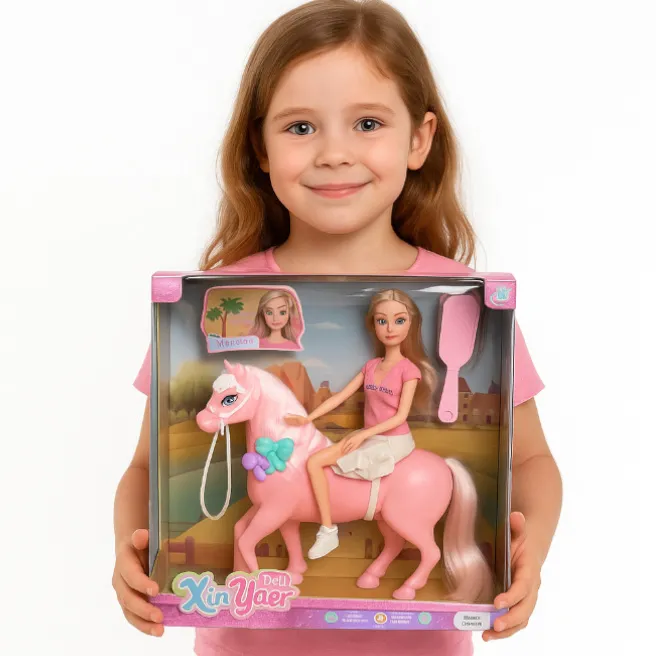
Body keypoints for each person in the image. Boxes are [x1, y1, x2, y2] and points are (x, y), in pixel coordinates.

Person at [113, 1, 562, 654]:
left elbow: (532, 459)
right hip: (243, 648)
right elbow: (144, 466)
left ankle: (330, 529)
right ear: (260, 147)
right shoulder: (208, 304)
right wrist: (130, 555)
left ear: (419, 139)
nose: (333, 153)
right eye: (300, 127)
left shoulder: (470, 305)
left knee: (328, 464)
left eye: (367, 123)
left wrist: (531, 552)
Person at [285, 288, 438, 559]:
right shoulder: (371, 366)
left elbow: (400, 417)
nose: (390, 328)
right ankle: (328, 530)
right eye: (382, 321)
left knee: (341, 464)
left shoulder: (409, 371)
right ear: (373, 325)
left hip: (393, 440)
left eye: (399, 320)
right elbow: (340, 396)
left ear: (411, 324)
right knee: (314, 462)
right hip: (370, 435)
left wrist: (364, 434)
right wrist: (308, 418)